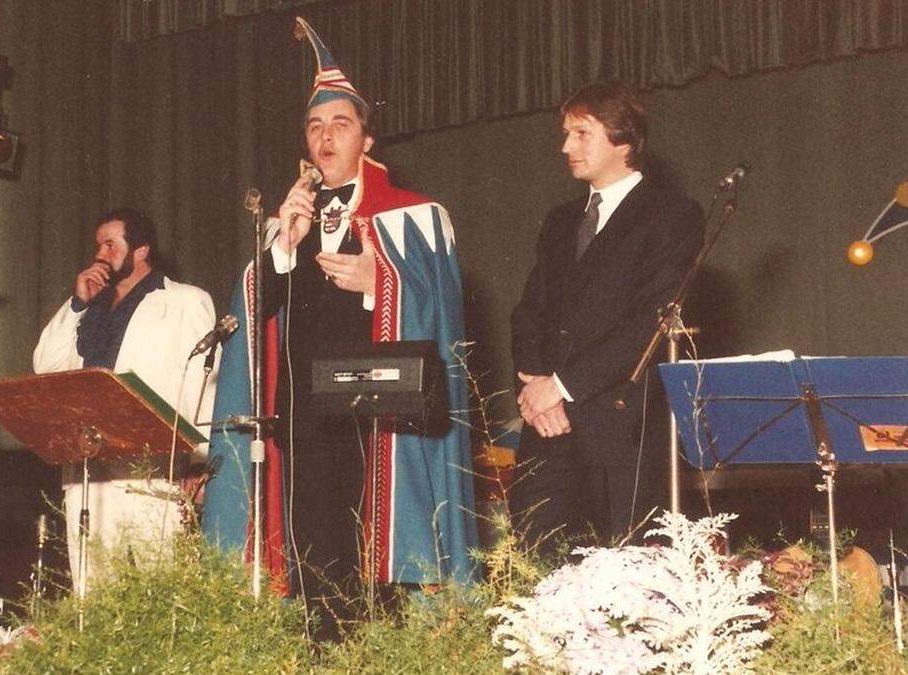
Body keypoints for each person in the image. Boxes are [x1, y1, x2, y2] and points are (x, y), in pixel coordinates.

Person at [202, 17, 478, 640]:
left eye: (341, 125)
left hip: (380, 422)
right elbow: (250, 316)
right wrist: (281, 249)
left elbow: (446, 316)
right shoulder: (284, 223)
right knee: (308, 559)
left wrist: (381, 286)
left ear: (367, 142)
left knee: (376, 566)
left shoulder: (417, 218)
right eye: (315, 126)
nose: (326, 137)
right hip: (299, 418)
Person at [509, 81, 703, 551]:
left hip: (623, 433)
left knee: (628, 580)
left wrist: (560, 386)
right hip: (546, 427)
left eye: (581, 133)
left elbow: (652, 322)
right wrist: (538, 389)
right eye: (565, 133)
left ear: (623, 139)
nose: (565, 147)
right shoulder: (560, 220)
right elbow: (529, 311)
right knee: (537, 568)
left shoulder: (671, 214)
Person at [33, 208, 217, 567]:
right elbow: (46, 365)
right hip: (90, 475)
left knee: (160, 587)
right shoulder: (91, 307)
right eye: (98, 245)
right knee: (95, 589)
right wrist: (77, 304)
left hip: (153, 473)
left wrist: (199, 464)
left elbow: (204, 383)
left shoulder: (185, 301)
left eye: (110, 244)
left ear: (142, 250)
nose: (101, 254)